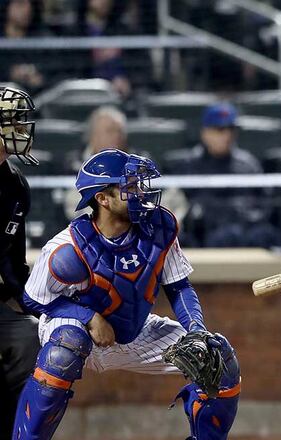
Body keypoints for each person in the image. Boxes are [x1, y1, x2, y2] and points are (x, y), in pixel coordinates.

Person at [12, 149, 240, 440]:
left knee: (216, 355)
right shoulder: (67, 247)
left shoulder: (159, 227)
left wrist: (196, 330)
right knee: (63, 350)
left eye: (138, 185)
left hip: (134, 330)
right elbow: (34, 300)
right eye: (129, 187)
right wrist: (88, 317)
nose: (139, 193)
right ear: (102, 199)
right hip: (78, 327)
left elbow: (179, 286)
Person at [165, 103, 278, 248]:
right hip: (204, 239)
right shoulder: (188, 166)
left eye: (230, 129)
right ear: (205, 132)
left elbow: (264, 205)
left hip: (245, 235)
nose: (227, 136)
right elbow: (176, 207)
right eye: (219, 130)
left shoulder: (248, 165)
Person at [0, 86, 40, 439]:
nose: (20, 129)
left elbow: (13, 266)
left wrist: (42, 307)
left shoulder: (15, 186)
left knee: (31, 335)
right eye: (11, 121)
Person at [0, 0, 48, 94]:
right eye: (20, 4)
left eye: (31, 5)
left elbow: (53, 73)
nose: (27, 10)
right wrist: (10, 74)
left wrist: (39, 79)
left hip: (35, 100)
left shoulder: (43, 39)